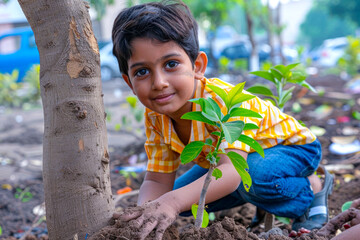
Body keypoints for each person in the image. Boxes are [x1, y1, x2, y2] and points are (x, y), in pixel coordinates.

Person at [111, 1, 333, 239]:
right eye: (142, 72)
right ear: (129, 82)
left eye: (171, 64)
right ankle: (257, 194)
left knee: (249, 179)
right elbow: (157, 179)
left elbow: (231, 171)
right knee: (179, 197)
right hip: (241, 163)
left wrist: (171, 203)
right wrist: (146, 215)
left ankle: (312, 187)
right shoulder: (155, 115)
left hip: (293, 150)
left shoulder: (222, 102)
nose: (159, 83)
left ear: (198, 66)